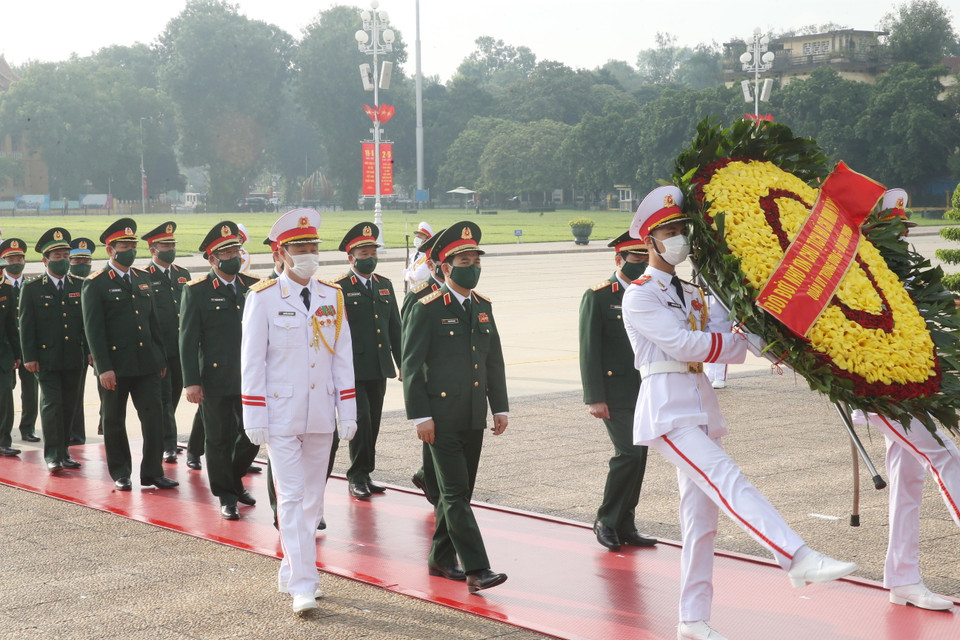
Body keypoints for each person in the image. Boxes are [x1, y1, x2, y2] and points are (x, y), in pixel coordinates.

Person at [622, 186, 857, 640]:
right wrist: (734, 343)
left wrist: (775, 340)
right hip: (667, 409)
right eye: (669, 233)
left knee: (701, 523)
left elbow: (731, 329)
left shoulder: (694, 291)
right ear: (648, 242)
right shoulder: (640, 295)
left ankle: (692, 619)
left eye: (682, 230)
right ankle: (796, 557)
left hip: (699, 405)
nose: (679, 239)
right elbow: (685, 345)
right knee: (727, 479)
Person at [241, 208, 357, 615]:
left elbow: (342, 356)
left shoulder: (332, 296)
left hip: (321, 411)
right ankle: (304, 584)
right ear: (281, 253)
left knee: (313, 501)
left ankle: (291, 568)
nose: (308, 254)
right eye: (300, 248)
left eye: (313, 247)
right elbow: (252, 361)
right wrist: (254, 415)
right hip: (281, 414)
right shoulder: (263, 297)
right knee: (290, 497)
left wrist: (348, 409)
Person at [850, 189, 958, 612]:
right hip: (883, 394)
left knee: (907, 482)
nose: (903, 236)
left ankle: (902, 577)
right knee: (946, 457)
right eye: (893, 229)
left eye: (904, 229)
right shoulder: (861, 275)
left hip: (910, 389)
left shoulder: (900, 272)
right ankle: (903, 577)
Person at [402, 221, 510, 594]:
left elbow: (493, 361)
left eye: (476, 261)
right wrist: (420, 416)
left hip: (472, 415)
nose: (473, 267)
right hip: (440, 418)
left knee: (459, 493)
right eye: (465, 261)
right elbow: (412, 366)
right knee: (454, 493)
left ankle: (440, 557)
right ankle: (477, 569)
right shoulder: (427, 308)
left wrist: (500, 407)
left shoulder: (482, 306)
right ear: (446, 268)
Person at [82, 218, 178, 491]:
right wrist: (104, 368)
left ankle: (152, 472)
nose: (130, 251)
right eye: (124, 246)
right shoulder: (96, 283)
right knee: (114, 420)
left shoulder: (142, 278)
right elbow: (94, 330)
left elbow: (153, 323)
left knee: (154, 418)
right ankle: (121, 471)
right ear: (110, 250)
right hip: (116, 366)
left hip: (147, 364)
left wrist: (160, 357)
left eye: (132, 246)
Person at [579, 231, 657, 551]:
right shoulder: (598, 296)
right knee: (629, 453)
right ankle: (606, 520)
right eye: (636, 258)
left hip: (646, 387)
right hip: (614, 391)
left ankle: (626, 523)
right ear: (619, 259)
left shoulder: (649, 292)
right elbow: (589, 349)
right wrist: (594, 397)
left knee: (640, 457)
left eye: (646, 258)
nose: (642, 264)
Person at [180, 221, 261, 520]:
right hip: (215, 377)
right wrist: (191, 382)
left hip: (251, 376)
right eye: (227, 253)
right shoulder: (197, 291)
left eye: (236, 251)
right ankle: (226, 495)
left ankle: (234, 478)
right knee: (217, 439)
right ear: (212, 259)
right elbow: (188, 340)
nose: (234, 257)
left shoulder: (254, 286)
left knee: (253, 434)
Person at [332, 223, 401, 498]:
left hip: (379, 366)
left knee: (374, 422)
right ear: (351, 258)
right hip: (353, 369)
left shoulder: (384, 285)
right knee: (360, 421)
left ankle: (366, 472)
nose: (370, 258)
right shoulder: (339, 288)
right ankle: (356, 475)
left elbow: (395, 327)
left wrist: (402, 363)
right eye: (364, 253)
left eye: (373, 252)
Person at [19, 228, 86, 473]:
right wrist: (29, 357)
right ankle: (53, 455)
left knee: (69, 406)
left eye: (66, 256)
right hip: (46, 358)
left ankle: (65, 451)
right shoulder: (32, 288)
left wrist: (90, 352)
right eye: (57, 256)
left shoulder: (80, 285)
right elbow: (26, 325)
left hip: (73, 357)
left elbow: (86, 324)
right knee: (52, 405)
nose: (63, 260)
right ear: (45, 260)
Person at [142, 222, 191, 464]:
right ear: (153, 249)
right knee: (163, 396)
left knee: (174, 394)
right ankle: (168, 444)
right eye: (165, 245)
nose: (170, 249)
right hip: (159, 348)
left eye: (172, 245)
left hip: (180, 347)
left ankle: (165, 437)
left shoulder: (183, 274)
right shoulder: (144, 276)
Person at [402, 229, 444, 505]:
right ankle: (431, 480)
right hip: (427, 376)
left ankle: (427, 476)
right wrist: (406, 370)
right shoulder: (420, 293)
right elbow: (408, 336)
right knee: (433, 433)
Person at [1, 238, 40, 444]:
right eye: (11, 259)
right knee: (5, 390)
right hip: (7, 347)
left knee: (31, 390)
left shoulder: (32, 285)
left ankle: (28, 428)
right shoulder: (2, 285)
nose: (16, 262)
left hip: (28, 346)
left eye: (19, 258)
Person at [66, 237, 95, 445]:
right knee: (73, 394)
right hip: (75, 347)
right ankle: (72, 434)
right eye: (77, 260)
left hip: (99, 347)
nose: (82, 264)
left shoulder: (96, 283)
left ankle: (102, 424)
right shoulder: (67, 285)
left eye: (86, 261)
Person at [0, 256, 21, 458]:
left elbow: (11, 325)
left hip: (3, 354)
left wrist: (17, 353)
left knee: (5, 397)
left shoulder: (6, 289)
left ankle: (3, 442)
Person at [402, 221, 434, 289]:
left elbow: (418, 275)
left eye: (420, 237)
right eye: (416, 237)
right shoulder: (412, 256)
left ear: (427, 240)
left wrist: (407, 274)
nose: (416, 239)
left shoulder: (429, 257)